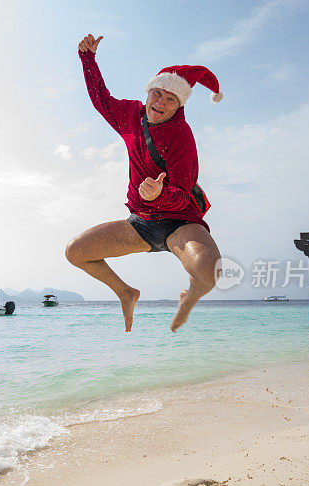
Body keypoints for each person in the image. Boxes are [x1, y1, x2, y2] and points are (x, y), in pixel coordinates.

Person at [65, 34, 223, 332]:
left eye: (170, 99)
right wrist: (87, 58)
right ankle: (126, 292)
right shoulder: (129, 115)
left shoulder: (181, 135)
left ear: (179, 105)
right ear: (149, 92)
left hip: (179, 223)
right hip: (140, 225)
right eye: (157, 94)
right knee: (75, 252)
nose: (160, 102)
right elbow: (100, 99)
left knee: (209, 271)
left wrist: (159, 194)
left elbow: (182, 194)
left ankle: (191, 297)